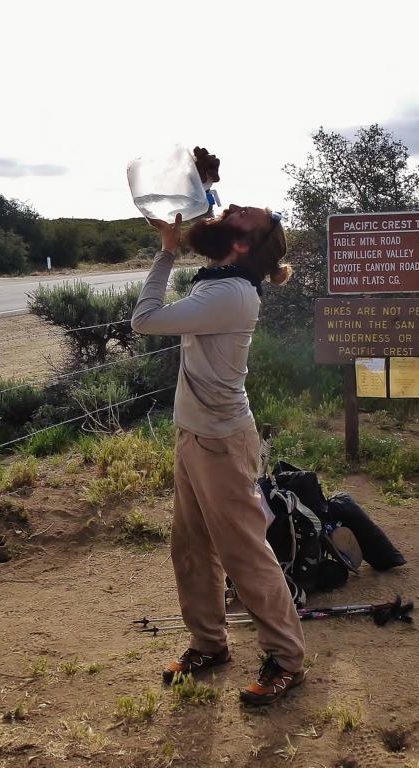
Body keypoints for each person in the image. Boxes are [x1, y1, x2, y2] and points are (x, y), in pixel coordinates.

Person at [130, 205, 305, 705]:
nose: (228, 210)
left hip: (222, 443)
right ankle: (209, 644)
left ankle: (287, 660)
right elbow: (210, 232)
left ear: (243, 244)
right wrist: (196, 199)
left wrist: (166, 253)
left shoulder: (229, 293)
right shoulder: (222, 277)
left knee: (244, 553)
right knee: (190, 547)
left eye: (236, 214)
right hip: (194, 434)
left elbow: (145, 320)